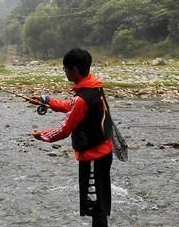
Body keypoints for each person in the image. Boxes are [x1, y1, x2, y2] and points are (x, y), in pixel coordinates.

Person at [31, 48, 113, 227]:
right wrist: (48, 100)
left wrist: (43, 135)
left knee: (96, 206)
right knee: (100, 202)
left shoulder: (83, 98)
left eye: (65, 69)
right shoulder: (94, 87)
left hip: (94, 156)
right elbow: (73, 106)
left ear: (74, 70)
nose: (65, 72)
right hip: (104, 151)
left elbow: (64, 129)